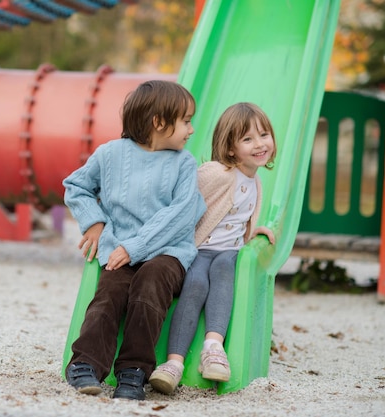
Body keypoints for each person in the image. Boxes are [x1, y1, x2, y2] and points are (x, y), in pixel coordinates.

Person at [62, 80, 206, 401]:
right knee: (110, 293)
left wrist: (136, 246)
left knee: (150, 283)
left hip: (167, 253)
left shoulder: (183, 163)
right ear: (158, 122)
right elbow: (76, 186)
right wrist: (95, 222)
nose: (191, 129)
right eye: (185, 121)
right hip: (119, 252)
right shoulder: (110, 154)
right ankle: (85, 364)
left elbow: (181, 213)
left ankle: (134, 370)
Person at [148, 102, 277, 395]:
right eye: (247, 139)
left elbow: (241, 218)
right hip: (196, 250)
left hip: (227, 254)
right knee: (194, 285)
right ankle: (173, 364)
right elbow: (182, 199)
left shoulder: (256, 180)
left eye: (264, 135)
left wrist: (252, 231)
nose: (259, 144)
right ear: (230, 148)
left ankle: (213, 348)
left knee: (224, 272)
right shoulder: (216, 173)